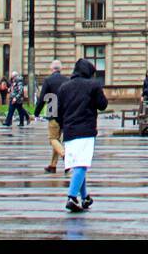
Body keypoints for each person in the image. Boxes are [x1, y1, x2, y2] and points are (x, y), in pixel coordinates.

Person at [57, 58, 108, 212]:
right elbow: (103, 105)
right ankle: (71, 197)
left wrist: (63, 126)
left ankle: (85, 197)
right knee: (82, 165)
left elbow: (59, 111)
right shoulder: (93, 85)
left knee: (78, 164)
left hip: (69, 130)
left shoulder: (64, 87)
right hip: (86, 129)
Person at [34, 59, 67, 173]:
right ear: (61, 69)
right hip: (65, 113)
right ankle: (52, 165)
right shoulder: (67, 80)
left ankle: (64, 155)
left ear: (52, 69)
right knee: (57, 139)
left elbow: (43, 98)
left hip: (53, 111)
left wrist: (36, 112)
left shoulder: (48, 80)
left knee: (52, 138)